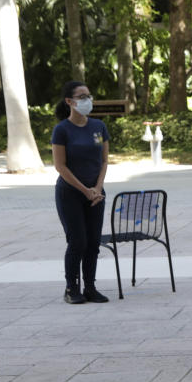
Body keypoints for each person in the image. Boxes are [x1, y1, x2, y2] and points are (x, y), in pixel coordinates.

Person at [51, 80, 110, 304]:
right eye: (82, 97)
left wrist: (96, 188)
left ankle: (90, 287)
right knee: (78, 241)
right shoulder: (62, 130)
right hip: (71, 193)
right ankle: (71, 288)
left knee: (93, 242)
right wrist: (84, 190)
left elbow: (104, 160)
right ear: (70, 101)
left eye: (89, 95)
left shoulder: (99, 127)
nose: (88, 100)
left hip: (96, 194)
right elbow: (60, 166)